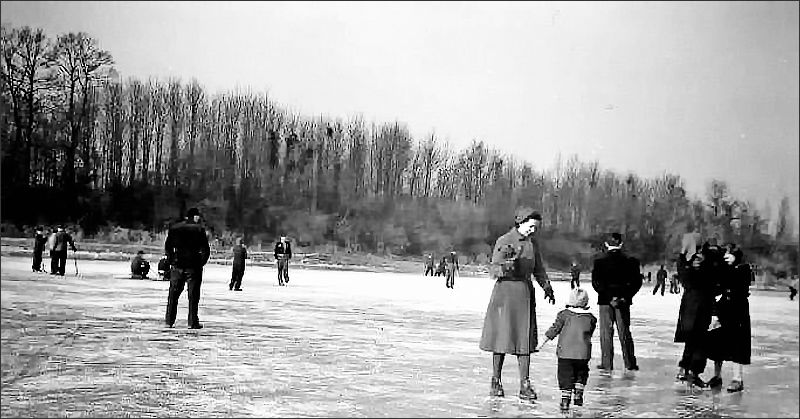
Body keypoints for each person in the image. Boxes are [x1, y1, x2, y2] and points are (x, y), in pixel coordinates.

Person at [479, 207, 556, 401]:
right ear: (520, 222)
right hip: (505, 294)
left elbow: (538, 268)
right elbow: (493, 269)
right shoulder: (504, 241)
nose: (533, 230)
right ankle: (495, 380)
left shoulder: (533, 244)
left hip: (524, 294)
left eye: (536, 228)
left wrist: (547, 287)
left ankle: (525, 383)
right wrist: (506, 266)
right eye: (531, 226)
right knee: (502, 338)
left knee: (525, 340)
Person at [674, 236, 725, 388]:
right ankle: (692, 372)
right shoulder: (705, 264)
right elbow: (713, 284)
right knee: (699, 341)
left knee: (692, 340)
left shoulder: (686, 264)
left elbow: (685, 273)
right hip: (701, 305)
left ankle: (685, 370)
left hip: (690, 306)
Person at [537, 287, 597, 412]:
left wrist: (540, 344)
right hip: (583, 353)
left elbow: (554, 330)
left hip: (565, 353)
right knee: (581, 372)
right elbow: (589, 332)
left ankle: (565, 400)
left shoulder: (564, 315)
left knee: (565, 376)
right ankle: (579, 392)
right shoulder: (591, 318)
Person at [591, 232, 642, 372]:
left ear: (606, 244)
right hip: (623, 301)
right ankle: (629, 362)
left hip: (605, 302)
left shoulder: (599, 262)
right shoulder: (631, 261)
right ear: (621, 244)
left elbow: (596, 283)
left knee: (606, 333)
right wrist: (624, 296)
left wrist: (610, 297)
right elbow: (636, 282)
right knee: (624, 332)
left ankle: (606, 363)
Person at [705, 243, 752, 393]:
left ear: (736, 256)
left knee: (737, 345)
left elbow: (735, 285)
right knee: (717, 343)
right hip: (723, 307)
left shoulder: (743, 269)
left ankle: (737, 379)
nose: (725, 257)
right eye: (724, 254)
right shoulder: (723, 269)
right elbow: (717, 286)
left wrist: (722, 270)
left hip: (738, 311)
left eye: (729, 254)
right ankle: (716, 376)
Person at [164, 207, 210, 329]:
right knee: (193, 296)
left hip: (177, 265)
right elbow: (206, 249)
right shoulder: (199, 229)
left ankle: (169, 320)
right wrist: (200, 263)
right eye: (198, 216)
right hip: (193, 266)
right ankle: (192, 322)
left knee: (173, 295)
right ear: (194, 216)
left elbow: (168, 247)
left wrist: (172, 260)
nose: (199, 218)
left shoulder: (175, 228)